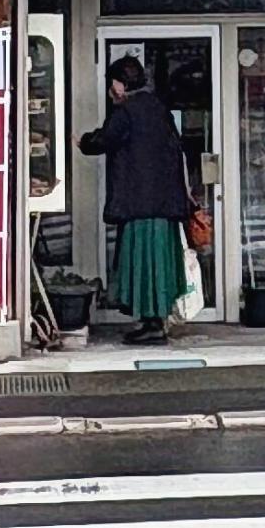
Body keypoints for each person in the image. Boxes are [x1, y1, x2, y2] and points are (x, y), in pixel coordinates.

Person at [78, 55, 196, 344]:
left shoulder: (126, 112)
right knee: (160, 266)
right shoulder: (158, 108)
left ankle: (152, 323)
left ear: (119, 85)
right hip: (165, 204)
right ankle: (157, 319)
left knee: (142, 265)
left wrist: (82, 141)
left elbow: (104, 140)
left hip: (141, 205)